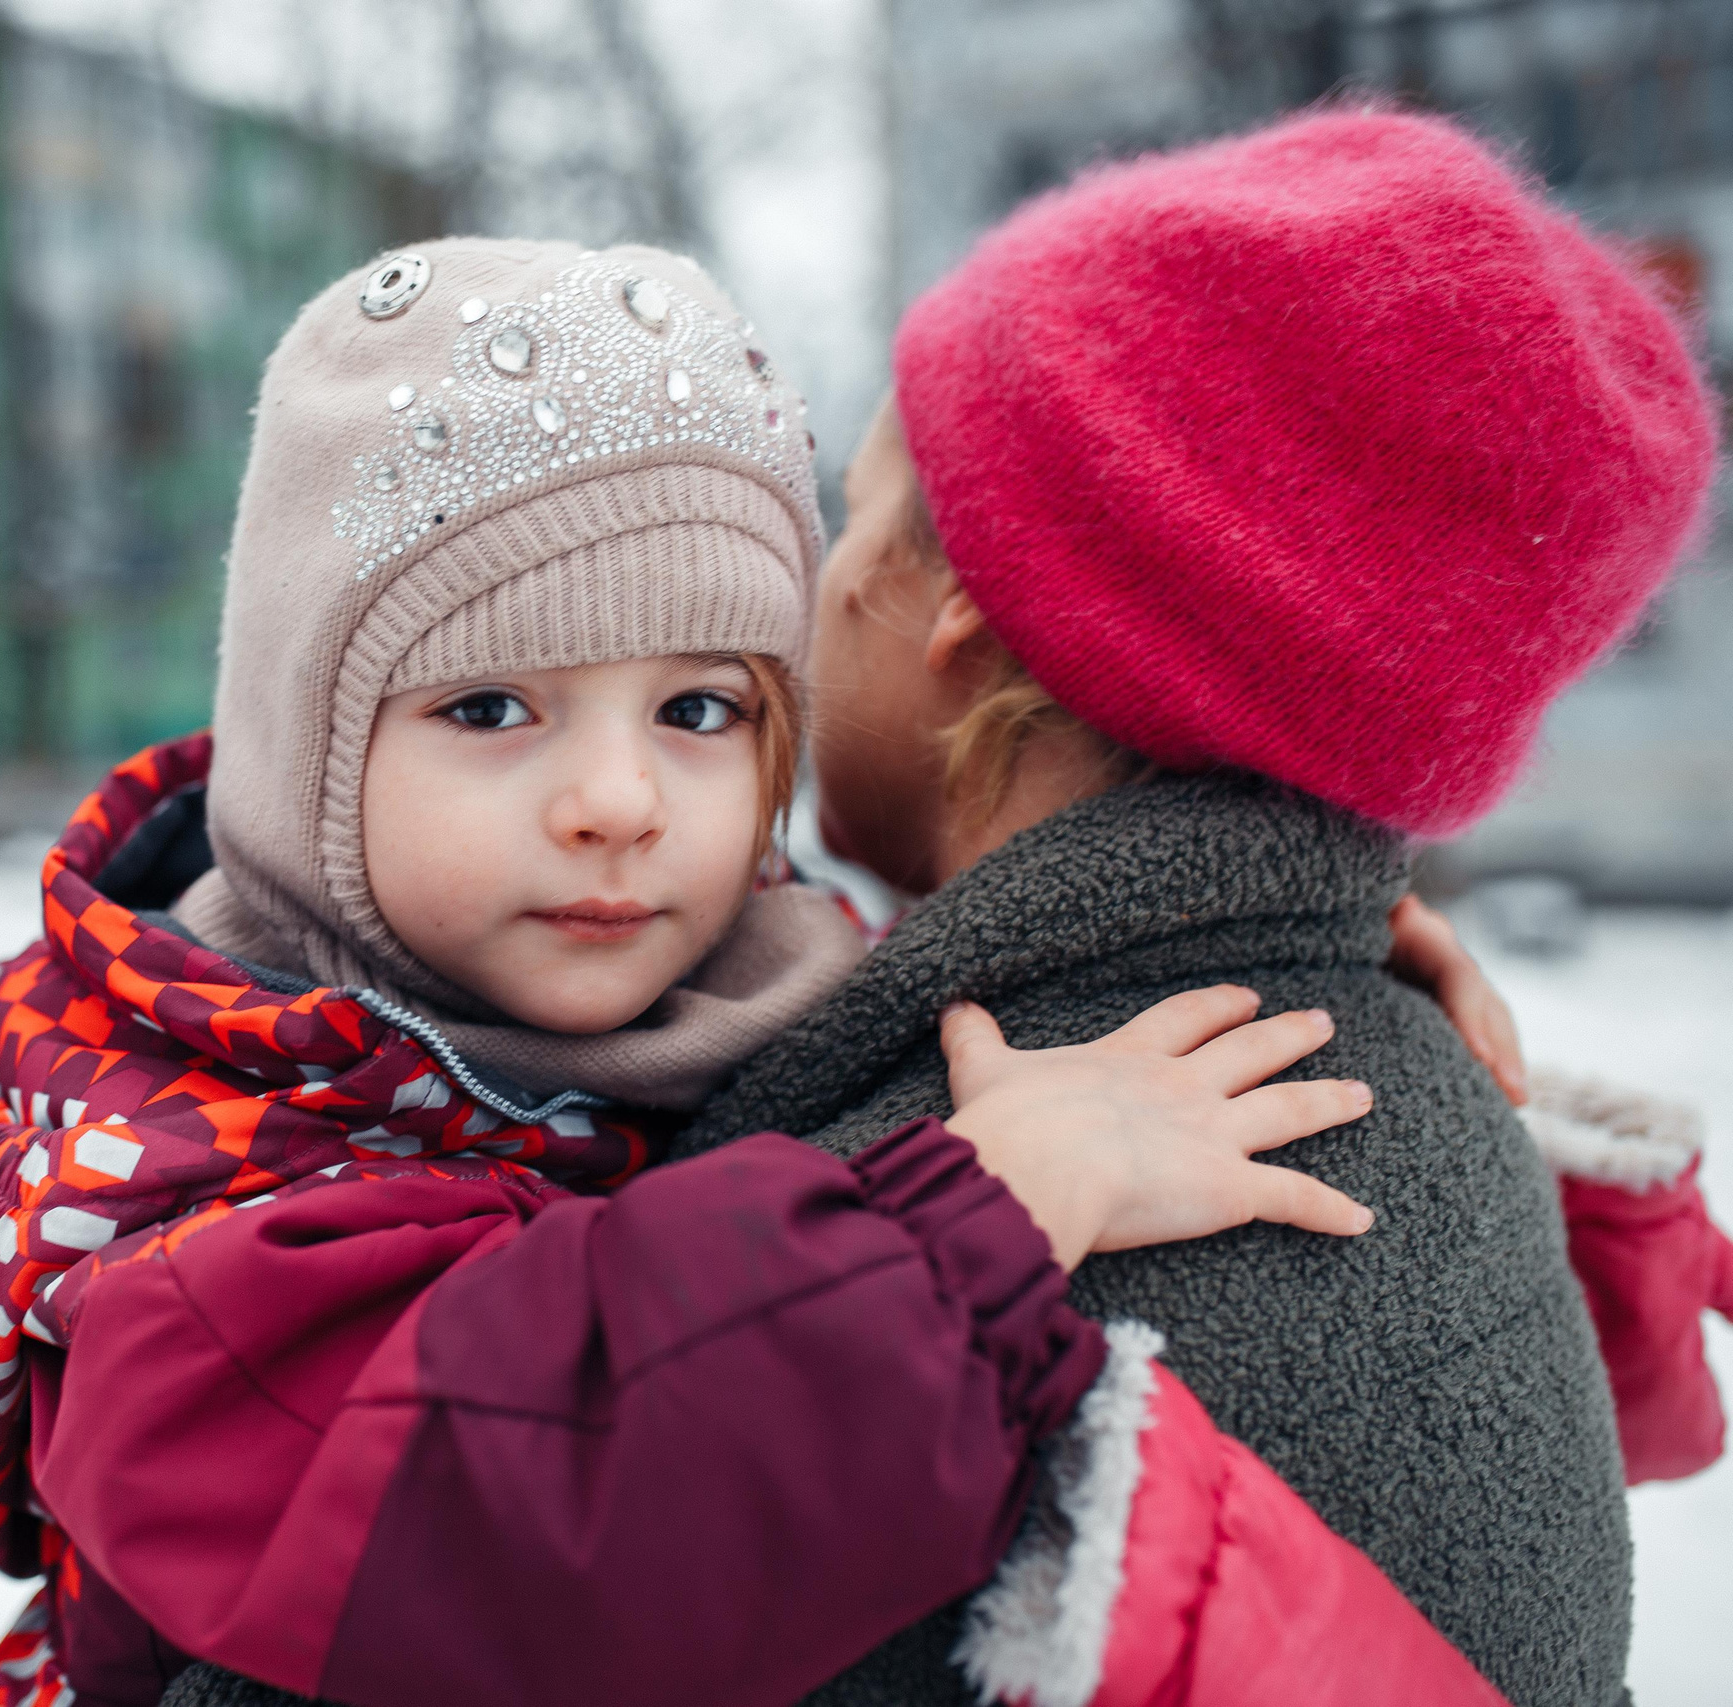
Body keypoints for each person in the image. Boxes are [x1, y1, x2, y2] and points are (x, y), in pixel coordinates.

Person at [0, 238, 1559, 1707]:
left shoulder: (718, 968)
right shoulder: (190, 1197)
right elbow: (514, 1534)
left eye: (701, 708)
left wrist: (1264, 909)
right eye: (490, 706)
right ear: (309, 750)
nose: (619, 803)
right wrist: (983, 1215)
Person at [669, 108, 1725, 1707]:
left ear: (961, 607)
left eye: (860, 508)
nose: (815, 585)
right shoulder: (1417, 1098)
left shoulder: (921, 1245)